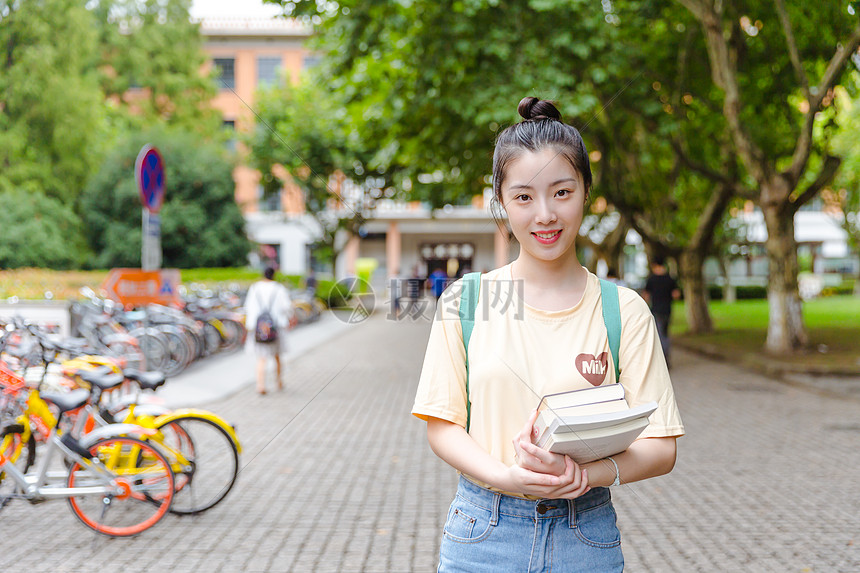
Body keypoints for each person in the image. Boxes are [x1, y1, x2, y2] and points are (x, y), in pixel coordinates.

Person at [412, 97, 684, 572]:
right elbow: (443, 426)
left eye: (562, 192)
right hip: (483, 535)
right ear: (501, 201)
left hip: (586, 535)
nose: (545, 215)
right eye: (523, 196)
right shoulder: (465, 301)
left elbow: (661, 447)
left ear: (586, 193)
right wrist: (508, 476)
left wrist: (585, 474)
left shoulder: (624, 311)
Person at [245, 266, 293, 394]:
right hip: (276, 328)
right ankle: (279, 382)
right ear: (274, 275)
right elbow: (286, 307)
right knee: (277, 356)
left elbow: (249, 307)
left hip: (259, 328)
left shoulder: (255, 288)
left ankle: (260, 385)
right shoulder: (279, 288)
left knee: (262, 358)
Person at [642, 255, 681, 369]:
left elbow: (646, 296)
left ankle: (662, 361)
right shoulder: (670, 279)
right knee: (665, 334)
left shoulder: (651, 279)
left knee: (659, 335)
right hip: (667, 310)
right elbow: (676, 295)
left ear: (654, 266)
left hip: (656, 310)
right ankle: (666, 358)